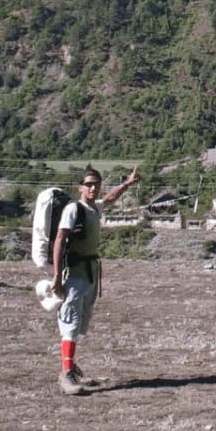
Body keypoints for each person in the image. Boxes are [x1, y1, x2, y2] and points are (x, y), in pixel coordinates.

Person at [51, 166, 140, 395]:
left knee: (80, 321)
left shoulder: (94, 208)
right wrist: (57, 276)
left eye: (96, 184)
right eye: (88, 184)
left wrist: (127, 184)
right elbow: (60, 240)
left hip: (90, 272)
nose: (93, 188)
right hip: (74, 273)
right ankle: (66, 374)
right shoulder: (74, 209)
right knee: (70, 320)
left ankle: (69, 365)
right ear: (80, 187)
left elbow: (110, 199)